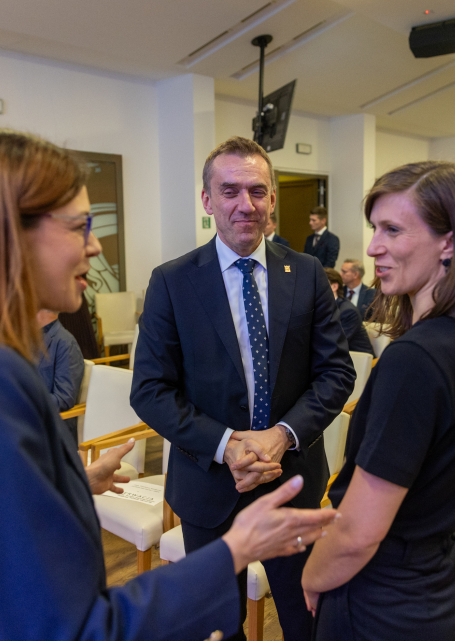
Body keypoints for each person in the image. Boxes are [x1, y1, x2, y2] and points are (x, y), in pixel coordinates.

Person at [0, 129, 337, 641]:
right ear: (8, 233)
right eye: (78, 226)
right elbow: (77, 627)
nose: (94, 244)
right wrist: (235, 550)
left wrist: (68, 481)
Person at [131, 137, 355, 641]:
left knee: (305, 619)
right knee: (218, 626)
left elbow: (337, 373)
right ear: (207, 200)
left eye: (257, 191)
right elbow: (149, 389)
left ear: (272, 198)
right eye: (229, 191)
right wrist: (227, 445)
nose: (245, 205)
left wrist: (282, 435)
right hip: (208, 487)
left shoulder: (308, 274)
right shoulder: (172, 281)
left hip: (292, 482)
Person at [301, 161, 455, 639]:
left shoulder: (417, 357)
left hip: (386, 601)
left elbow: (359, 532)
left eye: (392, 229)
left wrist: (311, 577)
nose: (373, 247)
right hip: (440, 588)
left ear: (449, 242)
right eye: (375, 228)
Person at [37, 309, 85, 446]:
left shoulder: (65, 342)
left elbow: (64, 398)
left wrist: (28, 400)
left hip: (53, 429)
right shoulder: (27, 339)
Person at [324, 268, 374, 355]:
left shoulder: (348, 311)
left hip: (358, 359)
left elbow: (336, 343)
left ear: (334, 287)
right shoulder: (318, 308)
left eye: (319, 285)